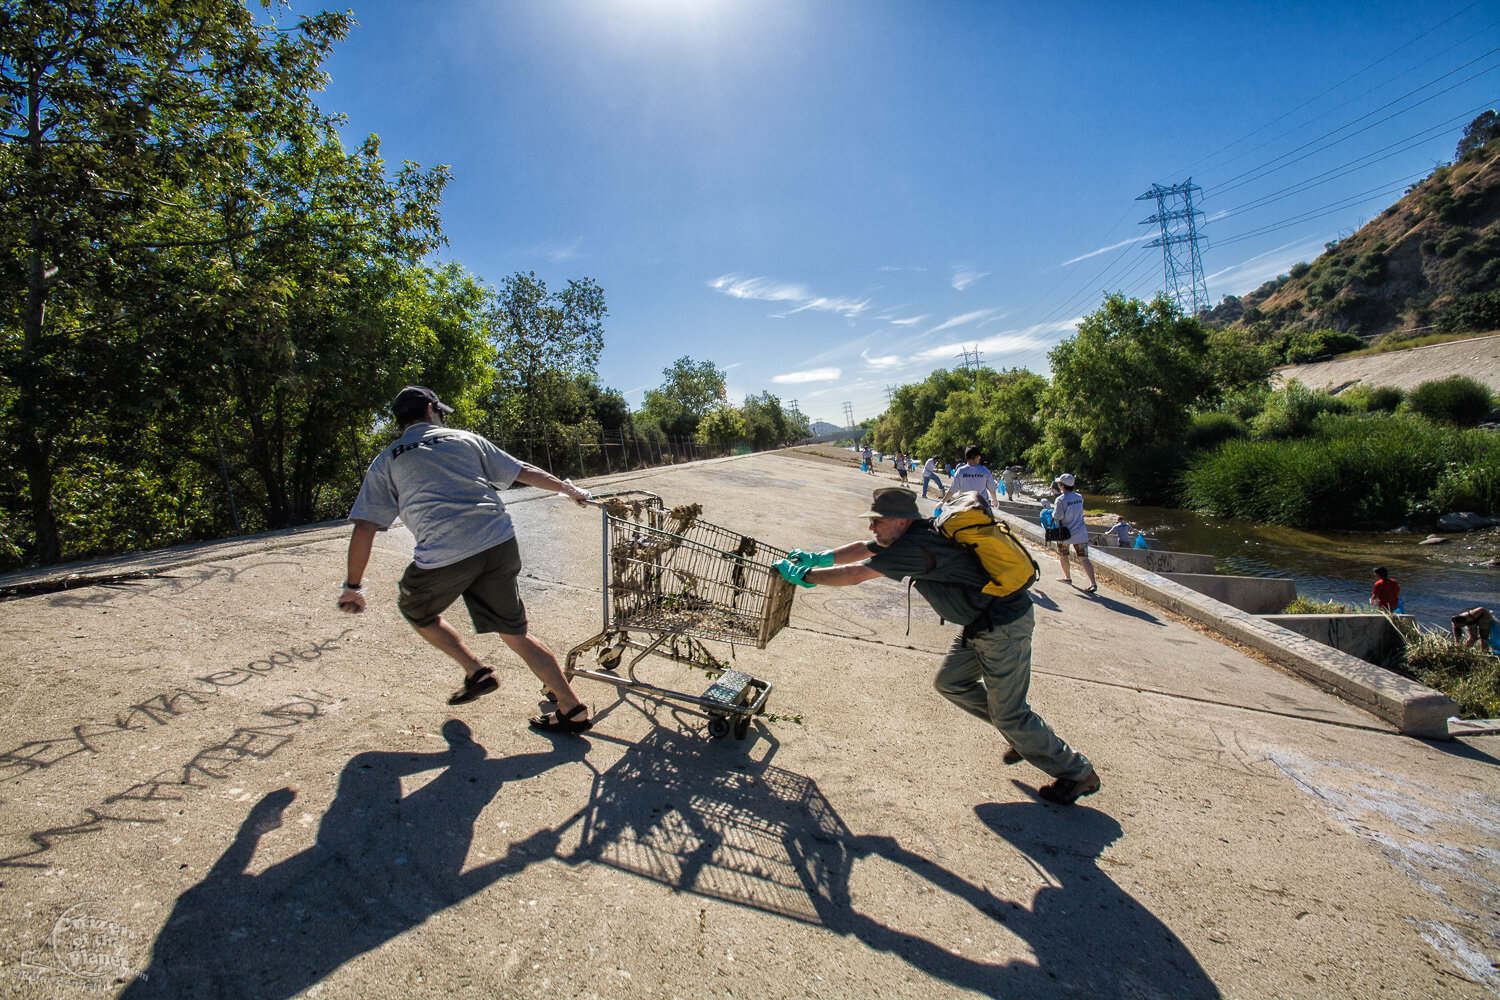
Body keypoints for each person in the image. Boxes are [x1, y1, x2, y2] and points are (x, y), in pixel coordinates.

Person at [775, 488, 1100, 805]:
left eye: (878, 520)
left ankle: (1078, 772)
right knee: (951, 684)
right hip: (983, 624)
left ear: (902, 521)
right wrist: (820, 557)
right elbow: (865, 547)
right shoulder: (915, 535)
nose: (872, 525)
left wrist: (806, 576)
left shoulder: (914, 547)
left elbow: (857, 574)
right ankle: (1025, 738)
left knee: (1010, 714)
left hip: (1003, 627)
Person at [340, 386, 596, 732]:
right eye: (440, 411)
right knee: (515, 632)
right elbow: (521, 470)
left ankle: (476, 671)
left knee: (416, 609)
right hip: (498, 541)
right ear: (431, 409)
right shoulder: (463, 438)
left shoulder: (387, 459)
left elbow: (365, 528)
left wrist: (353, 586)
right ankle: (572, 707)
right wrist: (568, 489)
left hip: (444, 554)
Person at [1051, 474, 1097, 594]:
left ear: (1062, 486)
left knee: (1063, 555)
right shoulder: (1079, 497)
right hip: (1080, 532)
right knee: (1084, 558)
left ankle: (1067, 577)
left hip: (1065, 533)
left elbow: (1058, 516)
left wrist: (1051, 514)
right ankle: (1093, 583)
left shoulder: (1060, 500)